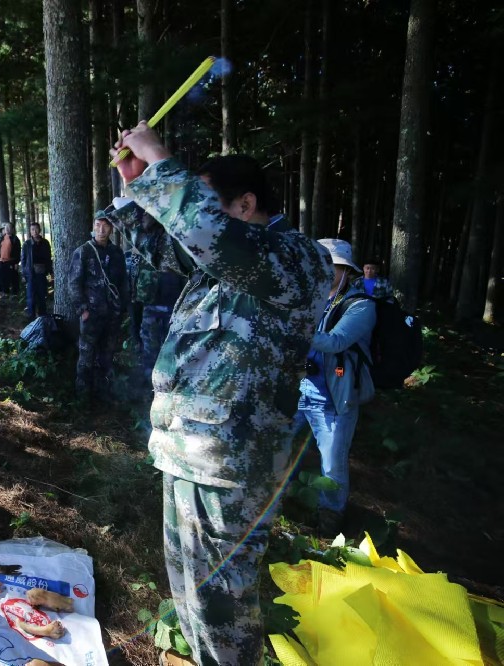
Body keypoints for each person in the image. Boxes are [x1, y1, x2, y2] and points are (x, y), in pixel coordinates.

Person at [109, 123, 332, 666]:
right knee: (189, 592)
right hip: (189, 451)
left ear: (246, 203)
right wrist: (136, 187)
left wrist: (162, 160)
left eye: (211, 201)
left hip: (233, 463)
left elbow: (210, 235)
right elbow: (164, 246)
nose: (199, 219)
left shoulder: (297, 260)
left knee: (223, 607)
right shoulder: (221, 266)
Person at [295, 239, 376, 534]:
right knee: (282, 448)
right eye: (318, 263)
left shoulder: (361, 307)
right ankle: (282, 503)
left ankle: (330, 520)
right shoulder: (311, 300)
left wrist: (292, 325)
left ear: (346, 271)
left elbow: (336, 342)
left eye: (331, 265)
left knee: (332, 465)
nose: (323, 270)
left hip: (333, 401)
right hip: (298, 392)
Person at [70, 211, 129, 397]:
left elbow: (123, 282)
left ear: (111, 228)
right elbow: (73, 282)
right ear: (93, 227)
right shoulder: (84, 251)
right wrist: (82, 309)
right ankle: (83, 397)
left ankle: (104, 394)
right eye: (98, 225)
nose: (101, 229)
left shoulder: (117, 253)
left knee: (107, 354)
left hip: (112, 314)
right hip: (91, 314)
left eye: (105, 225)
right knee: (86, 355)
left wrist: (123, 308)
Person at [131, 213, 185, 399]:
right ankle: (149, 397)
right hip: (151, 308)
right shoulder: (146, 242)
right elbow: (137, 290)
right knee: (150, 354)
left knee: (172, 355)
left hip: (175, 308)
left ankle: (169, 396)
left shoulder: (178, 238)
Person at [20, 221, 53, 320]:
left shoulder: (45, 243)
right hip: (31, 273)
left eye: (36, 229)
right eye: (32, 229)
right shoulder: (27, 244)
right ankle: (31, 318)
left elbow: (48, 258)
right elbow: (23, 259)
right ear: (30, 231)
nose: (35, 231)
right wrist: (24, 273)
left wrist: (50, 271)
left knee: (42, 296)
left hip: (42, 273)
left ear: (40, 230)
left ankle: (42, 318)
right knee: (31, 297)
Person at [0, 223, 22, 295]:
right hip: (1, 262)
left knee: (12, 279)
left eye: (9, 227)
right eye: (6, 227)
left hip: (11, 262)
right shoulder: (2, 238)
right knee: (2, 279)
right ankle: (4, 293)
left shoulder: (15, 239)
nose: (7, 229)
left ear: (13, 229)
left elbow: (18, 252)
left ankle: (14, 294)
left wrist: (16, 262)